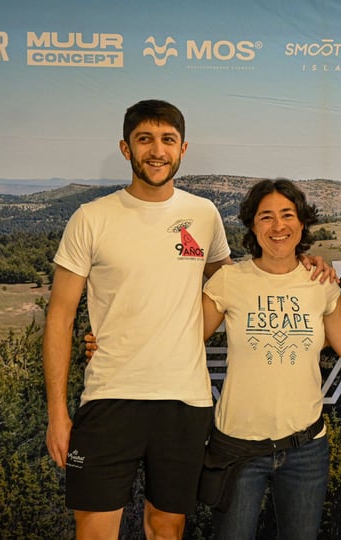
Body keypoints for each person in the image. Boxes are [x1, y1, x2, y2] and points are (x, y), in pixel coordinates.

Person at [42, 99, 233, 539]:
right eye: (145, 139)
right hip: (109, 397)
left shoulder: (204, 214)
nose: (157, 150)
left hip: (184, 401)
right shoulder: (91, 218)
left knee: (167, 529)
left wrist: (301, 264)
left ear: (183, 148)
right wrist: (57, 413)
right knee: (94, 531)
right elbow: (60, 317)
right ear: (126, 148)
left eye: (168, 140)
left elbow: (234, 285)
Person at [201, 178, 341, 539]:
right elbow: (182, 342)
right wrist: (115, 346)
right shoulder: (229, 280)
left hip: (305, 450)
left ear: (301, 223)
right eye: (266, 216)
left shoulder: (321, 283)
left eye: (287, 215)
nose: (278, 226)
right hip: (238, 449)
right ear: (252, 226)